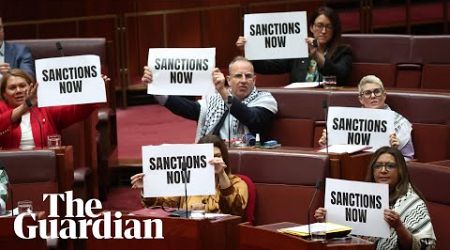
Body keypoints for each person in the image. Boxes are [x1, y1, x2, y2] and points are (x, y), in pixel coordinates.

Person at [314, 146, 436, 249]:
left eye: (390, 166)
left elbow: (424, 246)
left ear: (401, 171)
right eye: (378, 166)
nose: (383, 170)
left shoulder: (412, 203)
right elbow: (348, 236)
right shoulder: (360, 197)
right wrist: (327, 221)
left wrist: (399, 227)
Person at [142, 56, 278, 142]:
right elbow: (188, 109)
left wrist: (223, 92)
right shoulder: (214, 100)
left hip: (247, 159)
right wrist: (156, 88)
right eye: (238, 76)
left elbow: (251, 118)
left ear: (254, 80)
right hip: (213, 158)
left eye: (248, 76)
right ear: (229, 80)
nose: (243, 80)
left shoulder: (266, 99)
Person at [130, 134, 249, 216]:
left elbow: (236, 211)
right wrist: (148, 187)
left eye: (217, 156)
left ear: (224, 159)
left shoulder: (238, 183)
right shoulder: (187, 182)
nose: (213, 161)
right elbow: (162, 206)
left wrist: (221, 173)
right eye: (207, 158)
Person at [235, 6, 352, 85]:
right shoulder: (299, 50)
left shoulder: (343, 51)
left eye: (329, 26)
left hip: (326, 100)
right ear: (311, 27)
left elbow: (340, 75)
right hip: (300, 99)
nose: (324, 31)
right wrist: (248, 50)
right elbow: (268, 67)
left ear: (334, 29)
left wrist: (316, 55)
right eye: (319, 25)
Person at [0, 68, 104, 149]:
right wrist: (25, 106)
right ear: (4, 94)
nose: (18, 90)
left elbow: (76, 111)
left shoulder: (45, 109)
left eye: (22, 86)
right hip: (9, 170)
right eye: (12, 88)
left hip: (45, 167)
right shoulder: (1, 109)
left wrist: (95, 91)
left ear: (31, 88)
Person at [318, 75, 414, 159]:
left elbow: (409, 158)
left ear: (384, 95)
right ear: (361, 99)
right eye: (367, 93)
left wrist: (395, 152)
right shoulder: (348, 121)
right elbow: (337, 154)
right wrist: (326, 144)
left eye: (377, 91)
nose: (373, 96)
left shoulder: (400, 123)